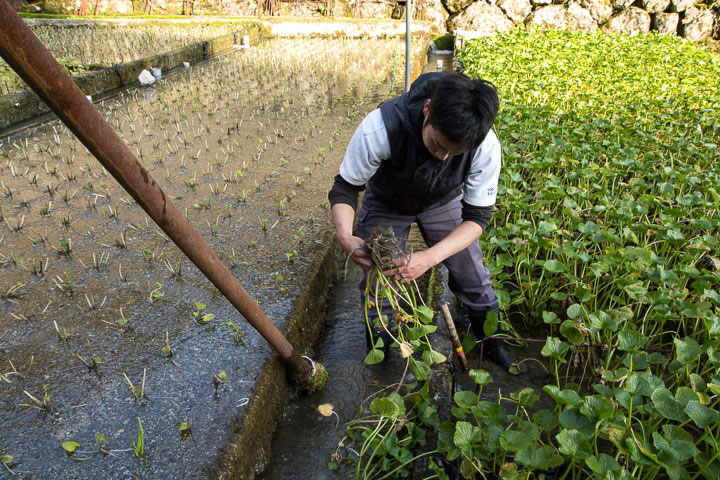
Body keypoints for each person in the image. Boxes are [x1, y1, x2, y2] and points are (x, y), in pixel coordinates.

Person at [327, 71, 515, 370]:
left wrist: (429, 257)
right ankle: (383, 354)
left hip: (443, 199)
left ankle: (491, 343)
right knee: (381, 281)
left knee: (472, 274)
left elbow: (478, 218)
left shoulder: (485, 146)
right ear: (427, 110)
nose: (443, 157)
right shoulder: (381, 128)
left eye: (455, 153)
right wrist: (345, 236)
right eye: (438, 144)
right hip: (388, 201)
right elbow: (346, 187)